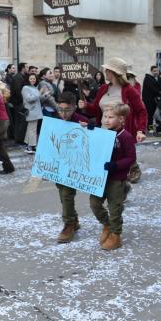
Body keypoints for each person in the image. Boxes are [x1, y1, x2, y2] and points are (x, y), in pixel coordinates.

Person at [78, 57, 147, 183]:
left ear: (114, 73)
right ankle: (113, 190)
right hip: (104, 132)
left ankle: (121, 188)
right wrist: (86, 106)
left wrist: (141, 130)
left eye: (107, 70)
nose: (105, 72)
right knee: (106, 163)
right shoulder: (104, 88)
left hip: (121, 134)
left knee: (120, 164)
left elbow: (141, 111)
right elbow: (95, 109)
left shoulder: (129, 90)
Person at [90, 103, 136, 250]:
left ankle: (116, 235)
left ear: (121, 119)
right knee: (94, 203)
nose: (107, 120)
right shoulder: (102, 133)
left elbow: (130, 157)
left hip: (116, 179)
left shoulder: (126, 137)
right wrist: (89, 131)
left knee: (115, 208)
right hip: (100, 177)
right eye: (105, 117)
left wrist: (116, 165)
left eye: (111, 117)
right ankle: (107, 224)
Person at [52, 92, 90, 244]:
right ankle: (73, 219)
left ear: (74, 108)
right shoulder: (55, 122)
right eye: (60, 109)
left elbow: (95, 140)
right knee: (62, 192)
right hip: (59, 165)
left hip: (75, 166)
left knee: (67, 194)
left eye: (67, 110)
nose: (63, 113)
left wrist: (89, 128)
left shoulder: (82, 121)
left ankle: (68, 224)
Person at [21, 73, 43, 154]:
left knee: (30, 128)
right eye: (31, 78)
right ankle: (32, 146)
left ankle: (28, 145)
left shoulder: (33, 87)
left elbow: (37, 98)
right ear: (28, 79)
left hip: (35, 111)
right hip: (31, 111)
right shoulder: (25, 88)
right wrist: (39, 94)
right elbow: (29, 99)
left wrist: (44, 95)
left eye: (34, 78)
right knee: (32, 129)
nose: (33, 80)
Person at [10, 63, 29, 144]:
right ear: (23, 68)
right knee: (21, 121)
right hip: (19, 103)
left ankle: (20, 138)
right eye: (27, 67)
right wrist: (23, 101)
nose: (28, 68)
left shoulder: (21, 77)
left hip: (20, 102)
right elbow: (18, 91)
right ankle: (19, 139)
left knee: (21, 121)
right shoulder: (18, 77)